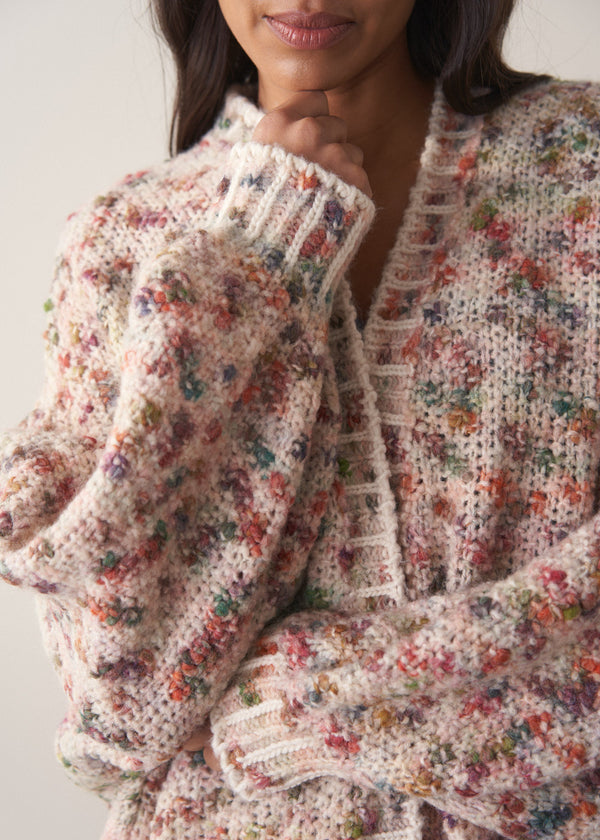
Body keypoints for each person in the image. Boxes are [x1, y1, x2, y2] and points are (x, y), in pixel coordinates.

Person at [1, 1, 600, 838]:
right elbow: (120, 710)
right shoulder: (123, 240)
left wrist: (305, 699)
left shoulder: (582, 169)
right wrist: (259, 258)